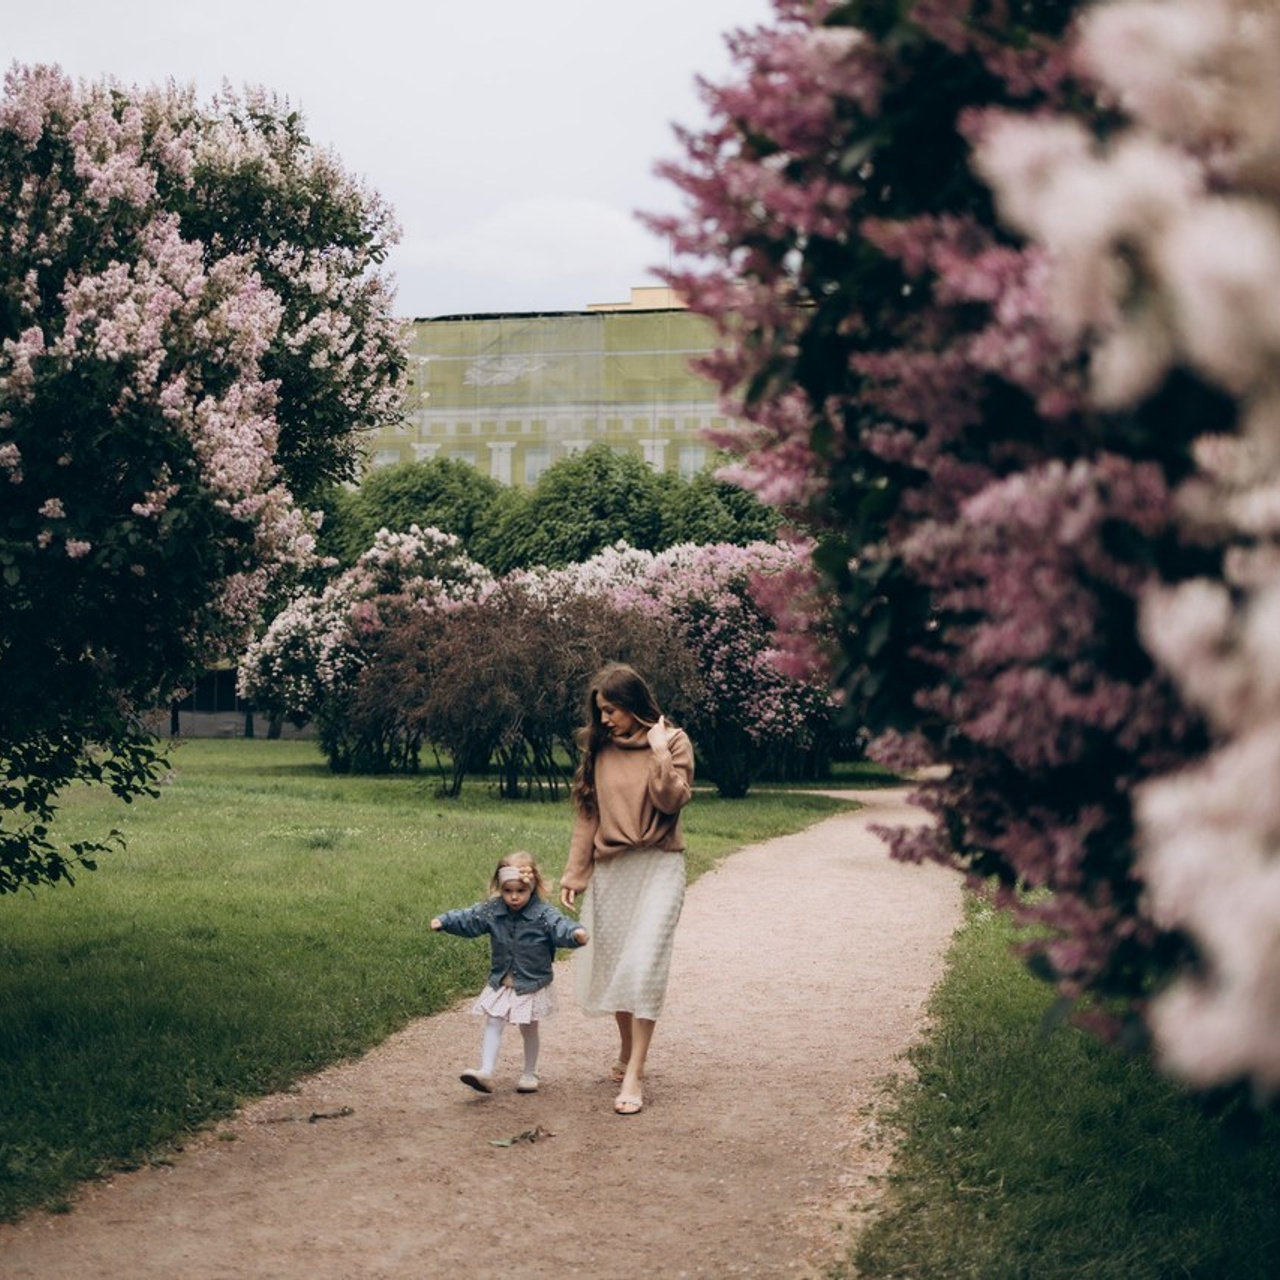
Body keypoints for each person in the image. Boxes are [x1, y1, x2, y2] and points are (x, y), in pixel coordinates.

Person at [560, 662, 694, 1116]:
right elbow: (587, 815)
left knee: (644, 963)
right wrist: (575, 875)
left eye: (612, 710)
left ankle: (636, 1070)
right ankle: (625, 1047)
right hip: (613, 871)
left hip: (659, 865)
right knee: (617, 965)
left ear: (635, 706)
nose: (605, 720)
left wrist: (658, 751)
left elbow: (670, 799)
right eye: (600, 712)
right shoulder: (601, 750)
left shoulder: (673, 741)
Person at [431, 851, 588, 1094]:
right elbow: (470, 918)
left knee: (528, 1028)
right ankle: (485, 1071)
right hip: (503, 980)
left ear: (532, 887)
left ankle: (529, 1073)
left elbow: (561, 926)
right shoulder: (493, 910)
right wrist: (445, 921)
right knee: (493, 1020)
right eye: (507, 891)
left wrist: (575, 933)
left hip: (531, 982)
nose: (514, 897)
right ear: (500, 888)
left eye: (520, 891)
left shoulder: (543, 914)